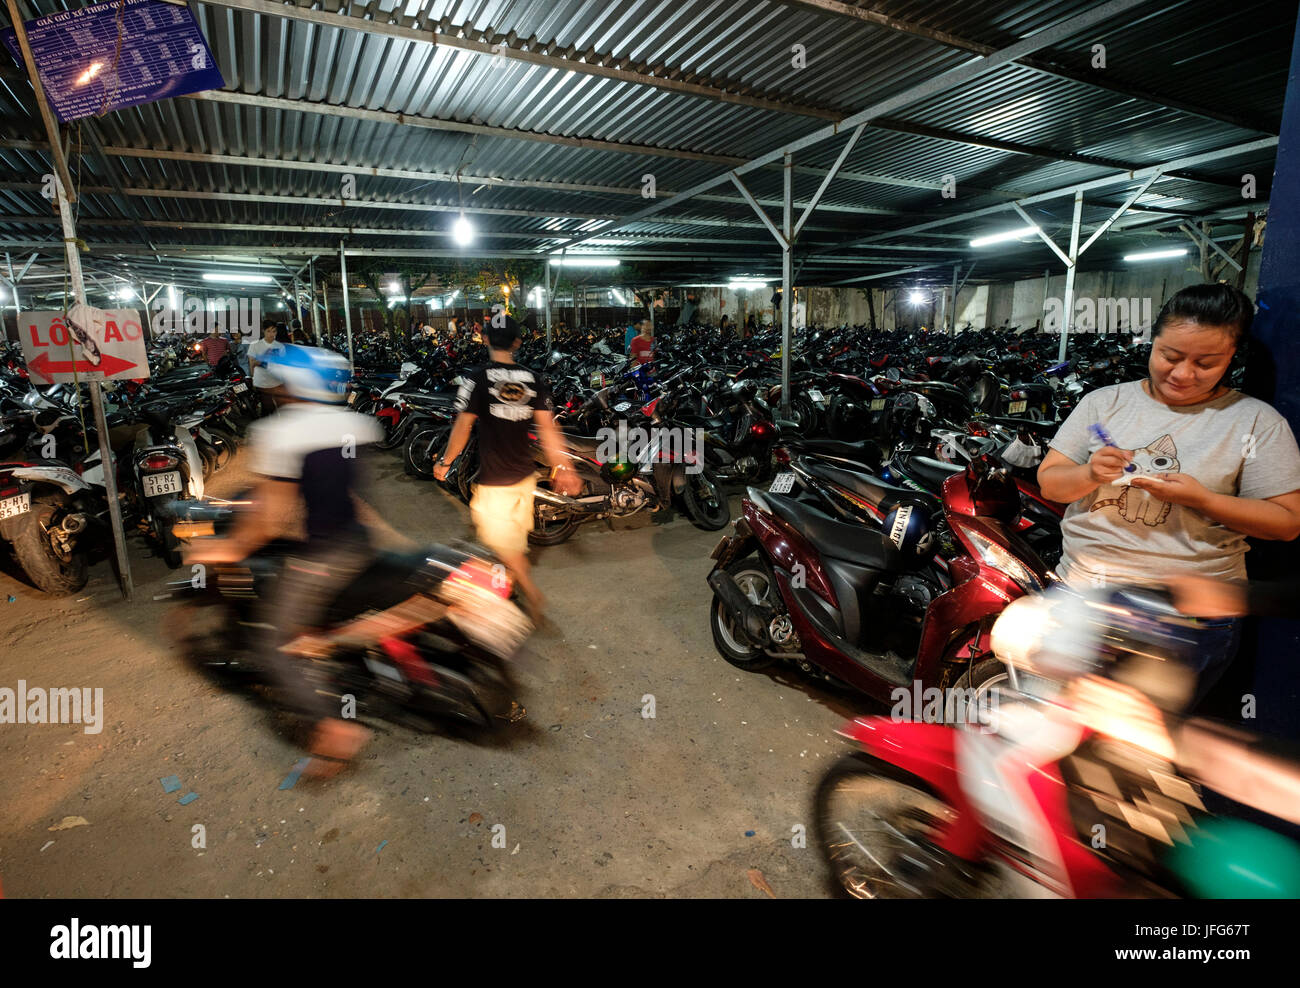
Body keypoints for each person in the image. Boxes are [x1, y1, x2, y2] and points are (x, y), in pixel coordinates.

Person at [1037, 283, 1300, 706]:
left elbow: (1287, 523)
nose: (1182, 374)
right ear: (1152, 341)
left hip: (1189, 617)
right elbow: (1051, 482)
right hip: (1082, 596)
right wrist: (1089, 472)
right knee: (1049, 720)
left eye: (1206, 363)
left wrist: (1205, 500)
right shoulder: (1104, 404)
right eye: (1170, 356)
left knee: (1133, 749)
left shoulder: (1255, 422)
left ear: (1233, 357)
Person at [187, 345, 403, 776]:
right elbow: (348, 497)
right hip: (360, 544)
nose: (275, 391)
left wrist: (224, 549)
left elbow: (268, 520)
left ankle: (337, 731)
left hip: (326, 556)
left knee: (274, 643)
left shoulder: (282, 432)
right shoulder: (354, 425)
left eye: (280, 383)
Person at [433, 315, 580, 621]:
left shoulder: (476, 379)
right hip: (525, 479)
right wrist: (565, 467)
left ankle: (528, 592)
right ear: (517, 342)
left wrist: (445, 462)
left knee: (502, 546)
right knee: (510, 543)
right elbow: (548, 430)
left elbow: (462, 427)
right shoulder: (534, 379)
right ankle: (507, 587)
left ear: (485, 339)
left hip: (494, 482)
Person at [247, 320, 283, 415]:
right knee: (267, 408)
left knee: (278, 409)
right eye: (269, 331)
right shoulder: (255, 345)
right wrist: (253, 378)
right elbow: (251, 363)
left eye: (274, 331)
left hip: (277, 381)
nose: (271, 334)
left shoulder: (280, 346)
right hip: (262, 383)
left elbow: (283, 364)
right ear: (263, 331)